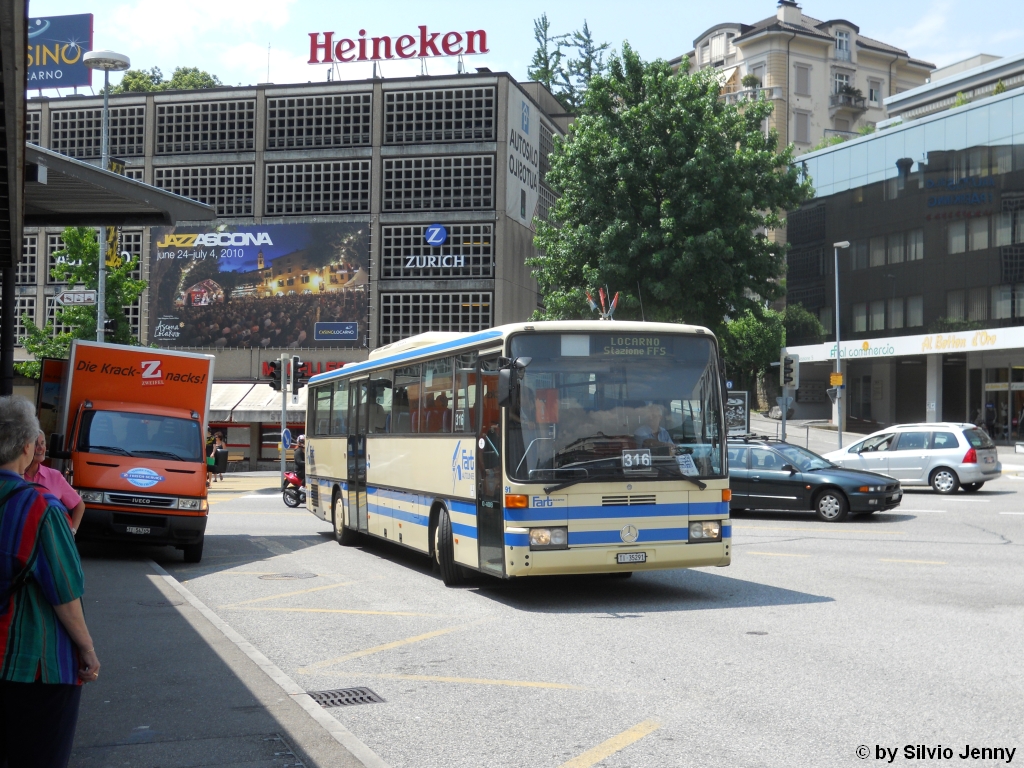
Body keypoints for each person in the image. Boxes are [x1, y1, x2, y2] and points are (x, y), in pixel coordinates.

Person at [0, 396, 100, 767]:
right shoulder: (41, 507)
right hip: (35, 664)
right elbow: (64, 591)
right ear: (27, 447)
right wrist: (87, 650)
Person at [23, 431, 85, 537]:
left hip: (49, 541)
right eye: (36, 444)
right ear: (25, 448)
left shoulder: (55, 476)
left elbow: (79, 505)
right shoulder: (15, 475)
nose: (40, 448)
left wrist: (72, 532)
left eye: (42, 443)